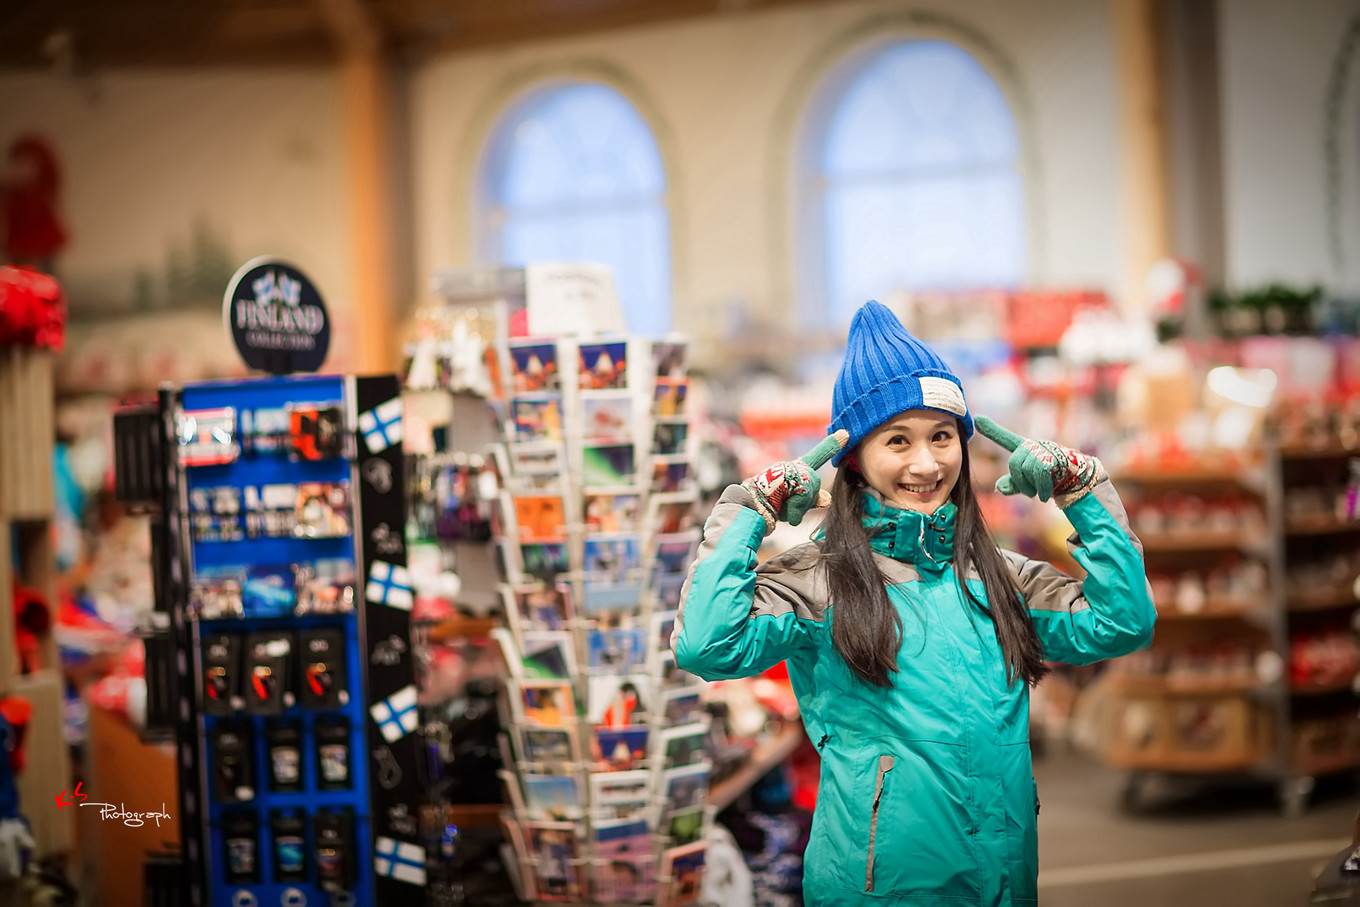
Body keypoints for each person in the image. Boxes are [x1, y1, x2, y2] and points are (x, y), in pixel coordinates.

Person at [673, 299, 1155, 906]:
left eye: (941, 437)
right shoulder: (819, 581)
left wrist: (1085, 495)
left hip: (1004, 881)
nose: (926, 463)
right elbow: (706, 645)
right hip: (877, 891)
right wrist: (748, 512)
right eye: (897, 440)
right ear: (855, 458)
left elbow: (1122, 623)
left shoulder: (1001, 578)